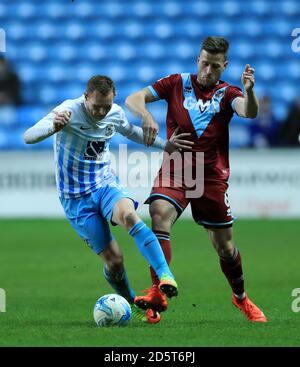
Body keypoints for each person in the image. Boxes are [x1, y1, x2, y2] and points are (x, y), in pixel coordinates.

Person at [23, 75, 192, 322]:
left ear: (113, 98)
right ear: (86, 97)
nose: (102, 112)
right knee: (114, 261)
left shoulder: (114, 111)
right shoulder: (68, 110)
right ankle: (135, 302)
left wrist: (164, 145)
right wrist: (53, 127)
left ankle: (165, 275)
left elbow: (131, 131)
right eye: (96, 106)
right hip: (75, 199)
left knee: (129, 216)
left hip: (104, 184)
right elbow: (28, 136)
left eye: (106, 105)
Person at [125, 37, 268, 323]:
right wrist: (146, 116)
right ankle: (157, 293)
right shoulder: (176, 83)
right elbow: (133, 98)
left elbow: (248, 112)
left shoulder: (229, 93)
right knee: (158, 215)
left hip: (211, 176)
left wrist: (250, 92)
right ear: (197, 60)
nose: (207, 70)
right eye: (204, 63)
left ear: (224, 66)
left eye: (215, 66)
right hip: (176, 167)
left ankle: (241, 298)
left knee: (225, 248)